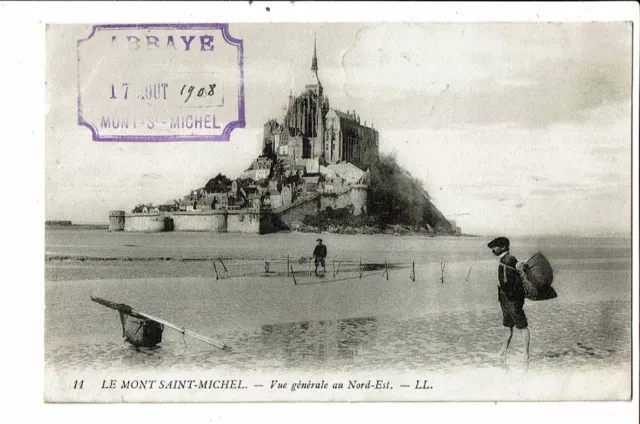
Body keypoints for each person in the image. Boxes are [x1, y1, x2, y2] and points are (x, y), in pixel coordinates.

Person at [487, 236, 530, 365]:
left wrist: (512, 297)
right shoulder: (505, 259)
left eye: (496, 246)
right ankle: (502, 352)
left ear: (504, 247)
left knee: (522, 326)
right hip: (505, 299)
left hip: (512, 299)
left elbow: (517, 270)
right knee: (507, 327)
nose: (493, 249)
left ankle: (526, 355)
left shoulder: (509, 259)